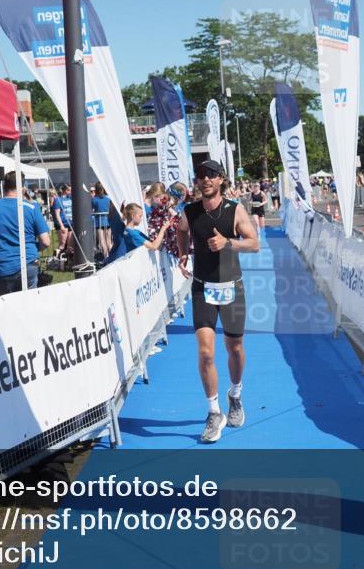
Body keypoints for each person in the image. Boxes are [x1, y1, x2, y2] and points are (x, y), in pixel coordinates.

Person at [177, 160, 260, 443]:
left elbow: (254, 243)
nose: (205, 180)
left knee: (235, 349)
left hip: (231, 287)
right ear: (197, 182)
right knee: (206, 353)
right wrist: (182, 253)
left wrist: (229, 243)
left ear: (221, 179)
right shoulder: (189, 211)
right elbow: (182, 230)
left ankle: (234, 395)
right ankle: (214, 412)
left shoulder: (234, 209)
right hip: (202, 288)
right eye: (200, 176)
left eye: (211, 175)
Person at [0, 171, 51, 296]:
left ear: (4, 187)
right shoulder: (32, 208)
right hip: (28, 264)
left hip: (1, 267)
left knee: (1, 310)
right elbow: (46, 242)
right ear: (22, 187)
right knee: (28, 307)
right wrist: (33, 248)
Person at [108, 203, 177, 262]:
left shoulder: (135, 231)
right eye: (140, 216)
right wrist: (163, 229)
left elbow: (157, 245)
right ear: (133, 216)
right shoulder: (131, 233)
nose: (141, 219)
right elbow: (154, 246)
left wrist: (165, 232)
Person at [91, 182, 112, 261]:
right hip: (108, 222)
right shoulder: (108, 199)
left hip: (98, 222)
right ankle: (112, 257)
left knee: (102, 240)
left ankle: (106, 258)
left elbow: (91, 209)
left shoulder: (94, 200)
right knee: (109, 241)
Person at [51, 184, 73, 259]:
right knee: (62, 244)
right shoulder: (58, 200)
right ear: (64, 191)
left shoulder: (70, 198)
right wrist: (61, 226)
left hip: (70, 224)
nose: (70, 192)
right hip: (63, 224)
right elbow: (57, 214)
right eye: (68, 190)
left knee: (70, 246)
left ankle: (66, 262)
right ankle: (55, 260)